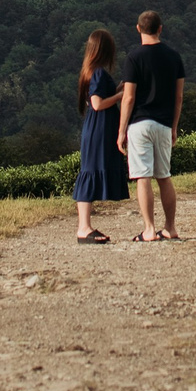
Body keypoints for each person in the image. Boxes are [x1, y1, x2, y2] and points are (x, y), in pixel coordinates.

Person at [114, 8, 186, 242]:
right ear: (160, 29)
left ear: (138, 29)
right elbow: (179, 97)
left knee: (142, 176)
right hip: (164, 123)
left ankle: (148, 229)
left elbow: (129, 97)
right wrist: (174, 126)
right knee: (164, 176)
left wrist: (121, 129)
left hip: (140, 123)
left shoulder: (134, 57)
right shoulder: (174, 57)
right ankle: (170, 227)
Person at [71, 28, 125, 242]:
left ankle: (85, 226)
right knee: (89, 172)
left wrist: (118, 89)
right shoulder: (99, 73)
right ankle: (83, 228)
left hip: (94, 128)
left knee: (89, 171)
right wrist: (122, 95)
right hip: (100, 129)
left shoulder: (90, 71)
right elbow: (97, 103)